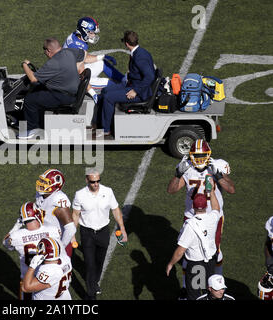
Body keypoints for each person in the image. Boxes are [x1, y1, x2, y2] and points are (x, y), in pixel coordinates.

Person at [167, 139, 235, 297]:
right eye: (196, 156)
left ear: (209, 154)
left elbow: (231, 189)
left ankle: (215, 284)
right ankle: (185, 287)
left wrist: (219, 176)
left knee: (214, 252)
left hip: (213, 216)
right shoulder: (186, 167)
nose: (198, 159)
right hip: (192, 215)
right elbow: (171, 190)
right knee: (187, 252)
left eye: (202, 155)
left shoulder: (217, 165)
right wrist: (178, 174)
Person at [72, 168, 128, 300]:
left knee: (99, 261)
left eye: (98, 181)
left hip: (103, 231)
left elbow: (115, 210)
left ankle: (94, 282)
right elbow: (75, 215)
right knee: (90, 265)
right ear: (87, 180)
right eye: (92, 182)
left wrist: (123, 229)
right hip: (87, 233)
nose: (96, 184)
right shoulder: (79, 194)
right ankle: (91, 295)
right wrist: (73, 234)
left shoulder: (108, 192)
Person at [19, 37, 86, 138]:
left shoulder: (54, 63)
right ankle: (40, 123)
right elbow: (83, 54)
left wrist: (24, 65)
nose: (44, 53)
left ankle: (32, 130)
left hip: (63, 96)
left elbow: (33, 79)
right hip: (71, 92)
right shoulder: (69, 52)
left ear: (49, 51)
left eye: (44, 49)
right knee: (39, 91)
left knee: (30, 100)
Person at [166, 182, 222, 300]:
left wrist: (171, 264)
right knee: (210, 294)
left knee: (194, 297)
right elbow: (216, 208)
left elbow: (180, 251)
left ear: (193, 206)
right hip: (210, 262)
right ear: (206, 206)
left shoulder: (189, 226)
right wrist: (211, 191)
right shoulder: (213, 218)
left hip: (196, 265)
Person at [95, 30, 155, 138]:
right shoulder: (140, 52)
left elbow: (150, 76)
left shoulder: (139, 57)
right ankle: (103, 122)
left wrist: (136, 91)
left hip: (139, 92)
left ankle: (105, 130)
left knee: (108, 97)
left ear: (126, 44)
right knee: (105, 90)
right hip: (132, 84)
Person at [2, 202, 61, 300]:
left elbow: (5, 242)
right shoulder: (53, 231)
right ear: (37, 214)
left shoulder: (16, 236)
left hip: (27, 279)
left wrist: (17, 225)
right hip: (47, 277)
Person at [63, 16, 125, 102]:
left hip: (75, 70)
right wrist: (92, 92)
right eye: (91, 33)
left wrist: (102, 56)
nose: (94, 35)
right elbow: (81, 74)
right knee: (108, 83)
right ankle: (124, 92)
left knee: (102, 63)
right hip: (74, 79)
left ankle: (125, 80)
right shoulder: (76, 47)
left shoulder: (76, 37)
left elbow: (84, 57)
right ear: (83, 31)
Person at [34, 169, 77, 257]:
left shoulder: (58, 199)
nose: (41, 184)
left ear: (56, 185)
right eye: (42, 181)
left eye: (46, 182)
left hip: (56, 242)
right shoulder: (40, 194)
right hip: (43, 239)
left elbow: (71, 228)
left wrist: (60, 247)